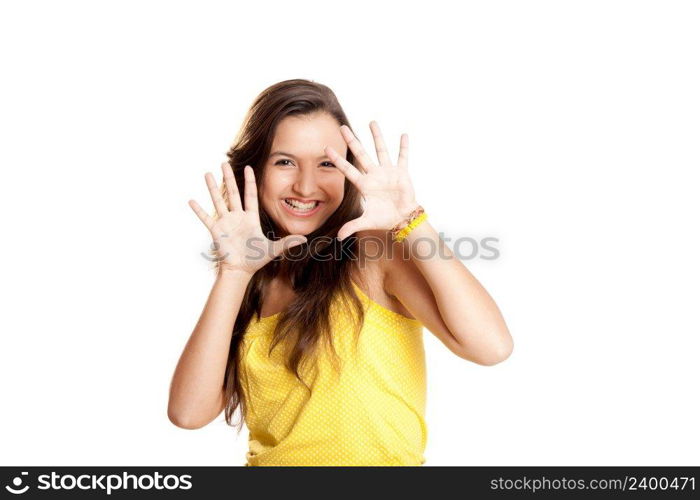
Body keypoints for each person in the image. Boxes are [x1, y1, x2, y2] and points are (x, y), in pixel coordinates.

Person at [167, 79, 513, 466]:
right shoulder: (251, 279)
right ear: (254, 169)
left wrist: (412, 221)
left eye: (327, 164)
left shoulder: (373, 254)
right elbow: (188, 413)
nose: (305, 185)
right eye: (284, 161)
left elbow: (491, 347)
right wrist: (233, 273)